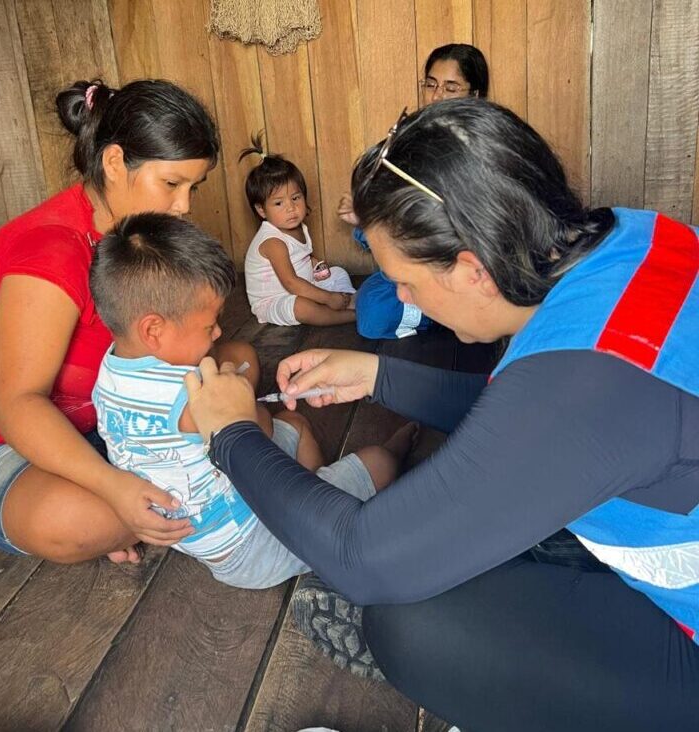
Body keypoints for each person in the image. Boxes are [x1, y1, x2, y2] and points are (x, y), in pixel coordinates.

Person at [183, 99, 699, 731]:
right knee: (455, 533)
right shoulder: (630, 235)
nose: (401, 297)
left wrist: (233, 435)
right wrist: (379, 375)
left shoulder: (585, 384)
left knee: (408, 620)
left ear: (472, 270)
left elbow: (362, 557)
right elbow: (537, 417)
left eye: (406, 282)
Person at [0, 78, 258, 565]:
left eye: (194, 187)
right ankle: (137, 503)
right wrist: (112, 486)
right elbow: (17, 405)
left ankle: (149, 496)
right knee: (78, 522)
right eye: (172, 184)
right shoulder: (51, 251)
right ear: (114, 163)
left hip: (105, 420)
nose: (185, 206)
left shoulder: (140, 237)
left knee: (241, 360)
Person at [90, 212, 414, 588]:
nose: (218, 332)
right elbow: (256, 430)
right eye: (209, 325)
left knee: (295, 425)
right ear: (153, 330)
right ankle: (322, 531)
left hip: (196, 534)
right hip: (252, 548)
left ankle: (312, 500)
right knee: (378, 461)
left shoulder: (110, 370)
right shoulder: (189, 392)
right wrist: (240, 394)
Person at [339, 43, 489, 339]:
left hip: (457, 264)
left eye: (451, 87)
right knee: (372, 303)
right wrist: (365, 216)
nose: (436, 96)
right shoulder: (410, 139)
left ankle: (443, 311)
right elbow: (393, 213)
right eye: (430, 85)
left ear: (474, 95)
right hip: (412, 257)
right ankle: (436, 309)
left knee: (375, 312)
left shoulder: (483, 145)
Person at [240, 135, 357, 326]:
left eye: (295, 198)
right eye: (279, 203)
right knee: (302, 307)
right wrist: (327, 298)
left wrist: (315, 263)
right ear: (261, 210)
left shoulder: (299, 227)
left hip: (303, 284)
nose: (291, 208)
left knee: (337, 272)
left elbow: (300, 255)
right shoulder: (272, 242)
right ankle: (351, 315)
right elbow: (291, 283)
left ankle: (346, 299)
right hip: (275, 300)